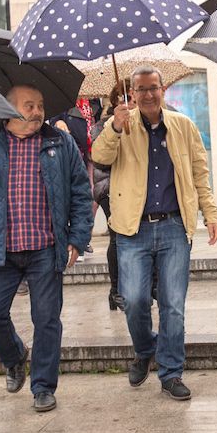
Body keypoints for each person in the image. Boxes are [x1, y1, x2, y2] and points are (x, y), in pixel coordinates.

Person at [0, 85, 93, 413]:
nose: (36, 112)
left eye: (40, 104)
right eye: (29, 105)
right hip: (0, 247)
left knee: (47, 318)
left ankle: (43, 386)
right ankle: (15, 357)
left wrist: (78, 238)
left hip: (46, 246)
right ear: (8, 109)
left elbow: (80, 191)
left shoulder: (59, 142)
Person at [92, 64, 217, 401]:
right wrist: (115, 129)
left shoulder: (183, 125)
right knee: (133, 300)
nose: (148, 94)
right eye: (141, 89)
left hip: (174, 226)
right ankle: (144, 348)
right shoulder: (119, 125)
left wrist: (211, 213)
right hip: (132, 230)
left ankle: (171, 372)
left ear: (163, 90)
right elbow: (99, 158)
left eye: (153, 88)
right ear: (131, 93)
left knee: (172, 304)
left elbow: (199, 172)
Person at [92, 82, 127, 311]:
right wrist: (117, 131)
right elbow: (100, 160)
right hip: (108, 188)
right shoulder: (102, 126)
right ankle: (116, 290)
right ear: (115, 103)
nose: (130, 105)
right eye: (125, 100)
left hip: (130, 190)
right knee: (117, 237)